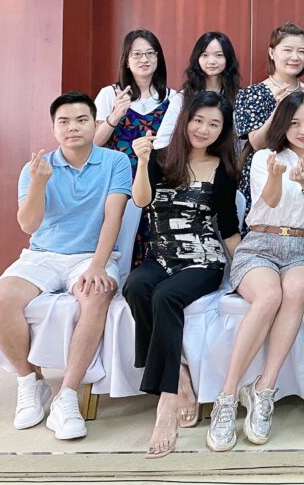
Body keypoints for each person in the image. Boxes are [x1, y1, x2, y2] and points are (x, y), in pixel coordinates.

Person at [0, 92, 131, 440]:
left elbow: (113, 218)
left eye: (81, 120)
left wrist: (98, 265)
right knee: (1, 295)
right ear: (53, 129)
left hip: (90, 256)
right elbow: (29, 225)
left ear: (95, 124)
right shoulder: (37, 167)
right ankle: (29, 381)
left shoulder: (115, 162)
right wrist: (39, 183)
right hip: (43, 255)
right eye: (63, 122)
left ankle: (67, 394)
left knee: (96, 294)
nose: (72, 127)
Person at [206, 92, 304, 452]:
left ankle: (264, 389)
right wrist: (278, 177)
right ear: (282, 125)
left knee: (294, 290)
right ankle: (227, 395)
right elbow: (271, 201)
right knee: (269, 296)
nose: (303, 129)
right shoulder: (265, 158)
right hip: (260, 244)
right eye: (294, 123)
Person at [123, 91, 242, 458]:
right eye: (198, 120)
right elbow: (141, 201)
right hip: (160, 255)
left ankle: (166, 403)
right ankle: (179, 373)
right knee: (136, 287)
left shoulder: (223, 170)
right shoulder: (159, 158)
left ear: (222, 131)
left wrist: (245, 270)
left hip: (203, 259)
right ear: (185, 120)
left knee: (166, 296)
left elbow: (228, 227)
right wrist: (143, 162)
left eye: (214, 124)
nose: (203, 129)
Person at [234, 23, 304, 218]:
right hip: (263, 174)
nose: (295, 57)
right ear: (272, 52)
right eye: (287, 50)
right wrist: (279, 108)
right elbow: (257, 143)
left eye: (301, 51)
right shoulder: (251, 93)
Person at [94, 29, 176, 175]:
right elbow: (94, 142)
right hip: (116, 177)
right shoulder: (109, 94)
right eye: (137, 54)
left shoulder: (173, 98)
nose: (144, 59)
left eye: (150, 53)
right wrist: (115, 116)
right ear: (127, 60)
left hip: (158, 177)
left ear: (158, 58)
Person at [155, 32, 242, 150]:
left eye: (219, 55)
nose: (211, 61)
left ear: (228, 59)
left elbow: (242, 141)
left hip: (228, 159)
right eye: (205, 55)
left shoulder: (241, 97)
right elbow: (162, 141)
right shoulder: (182, 98)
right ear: (197, 58)